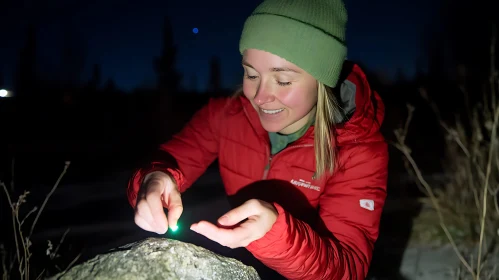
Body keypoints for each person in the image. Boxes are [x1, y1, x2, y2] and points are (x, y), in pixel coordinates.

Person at [127, 0, 388, 279]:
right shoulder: (224, 115)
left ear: (322, 82)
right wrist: (153, 179)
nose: (260, 97)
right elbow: (172, 160)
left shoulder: (359, 150)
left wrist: (276, 235)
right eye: (251, 74)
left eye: (283, 80)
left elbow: (348, 268)